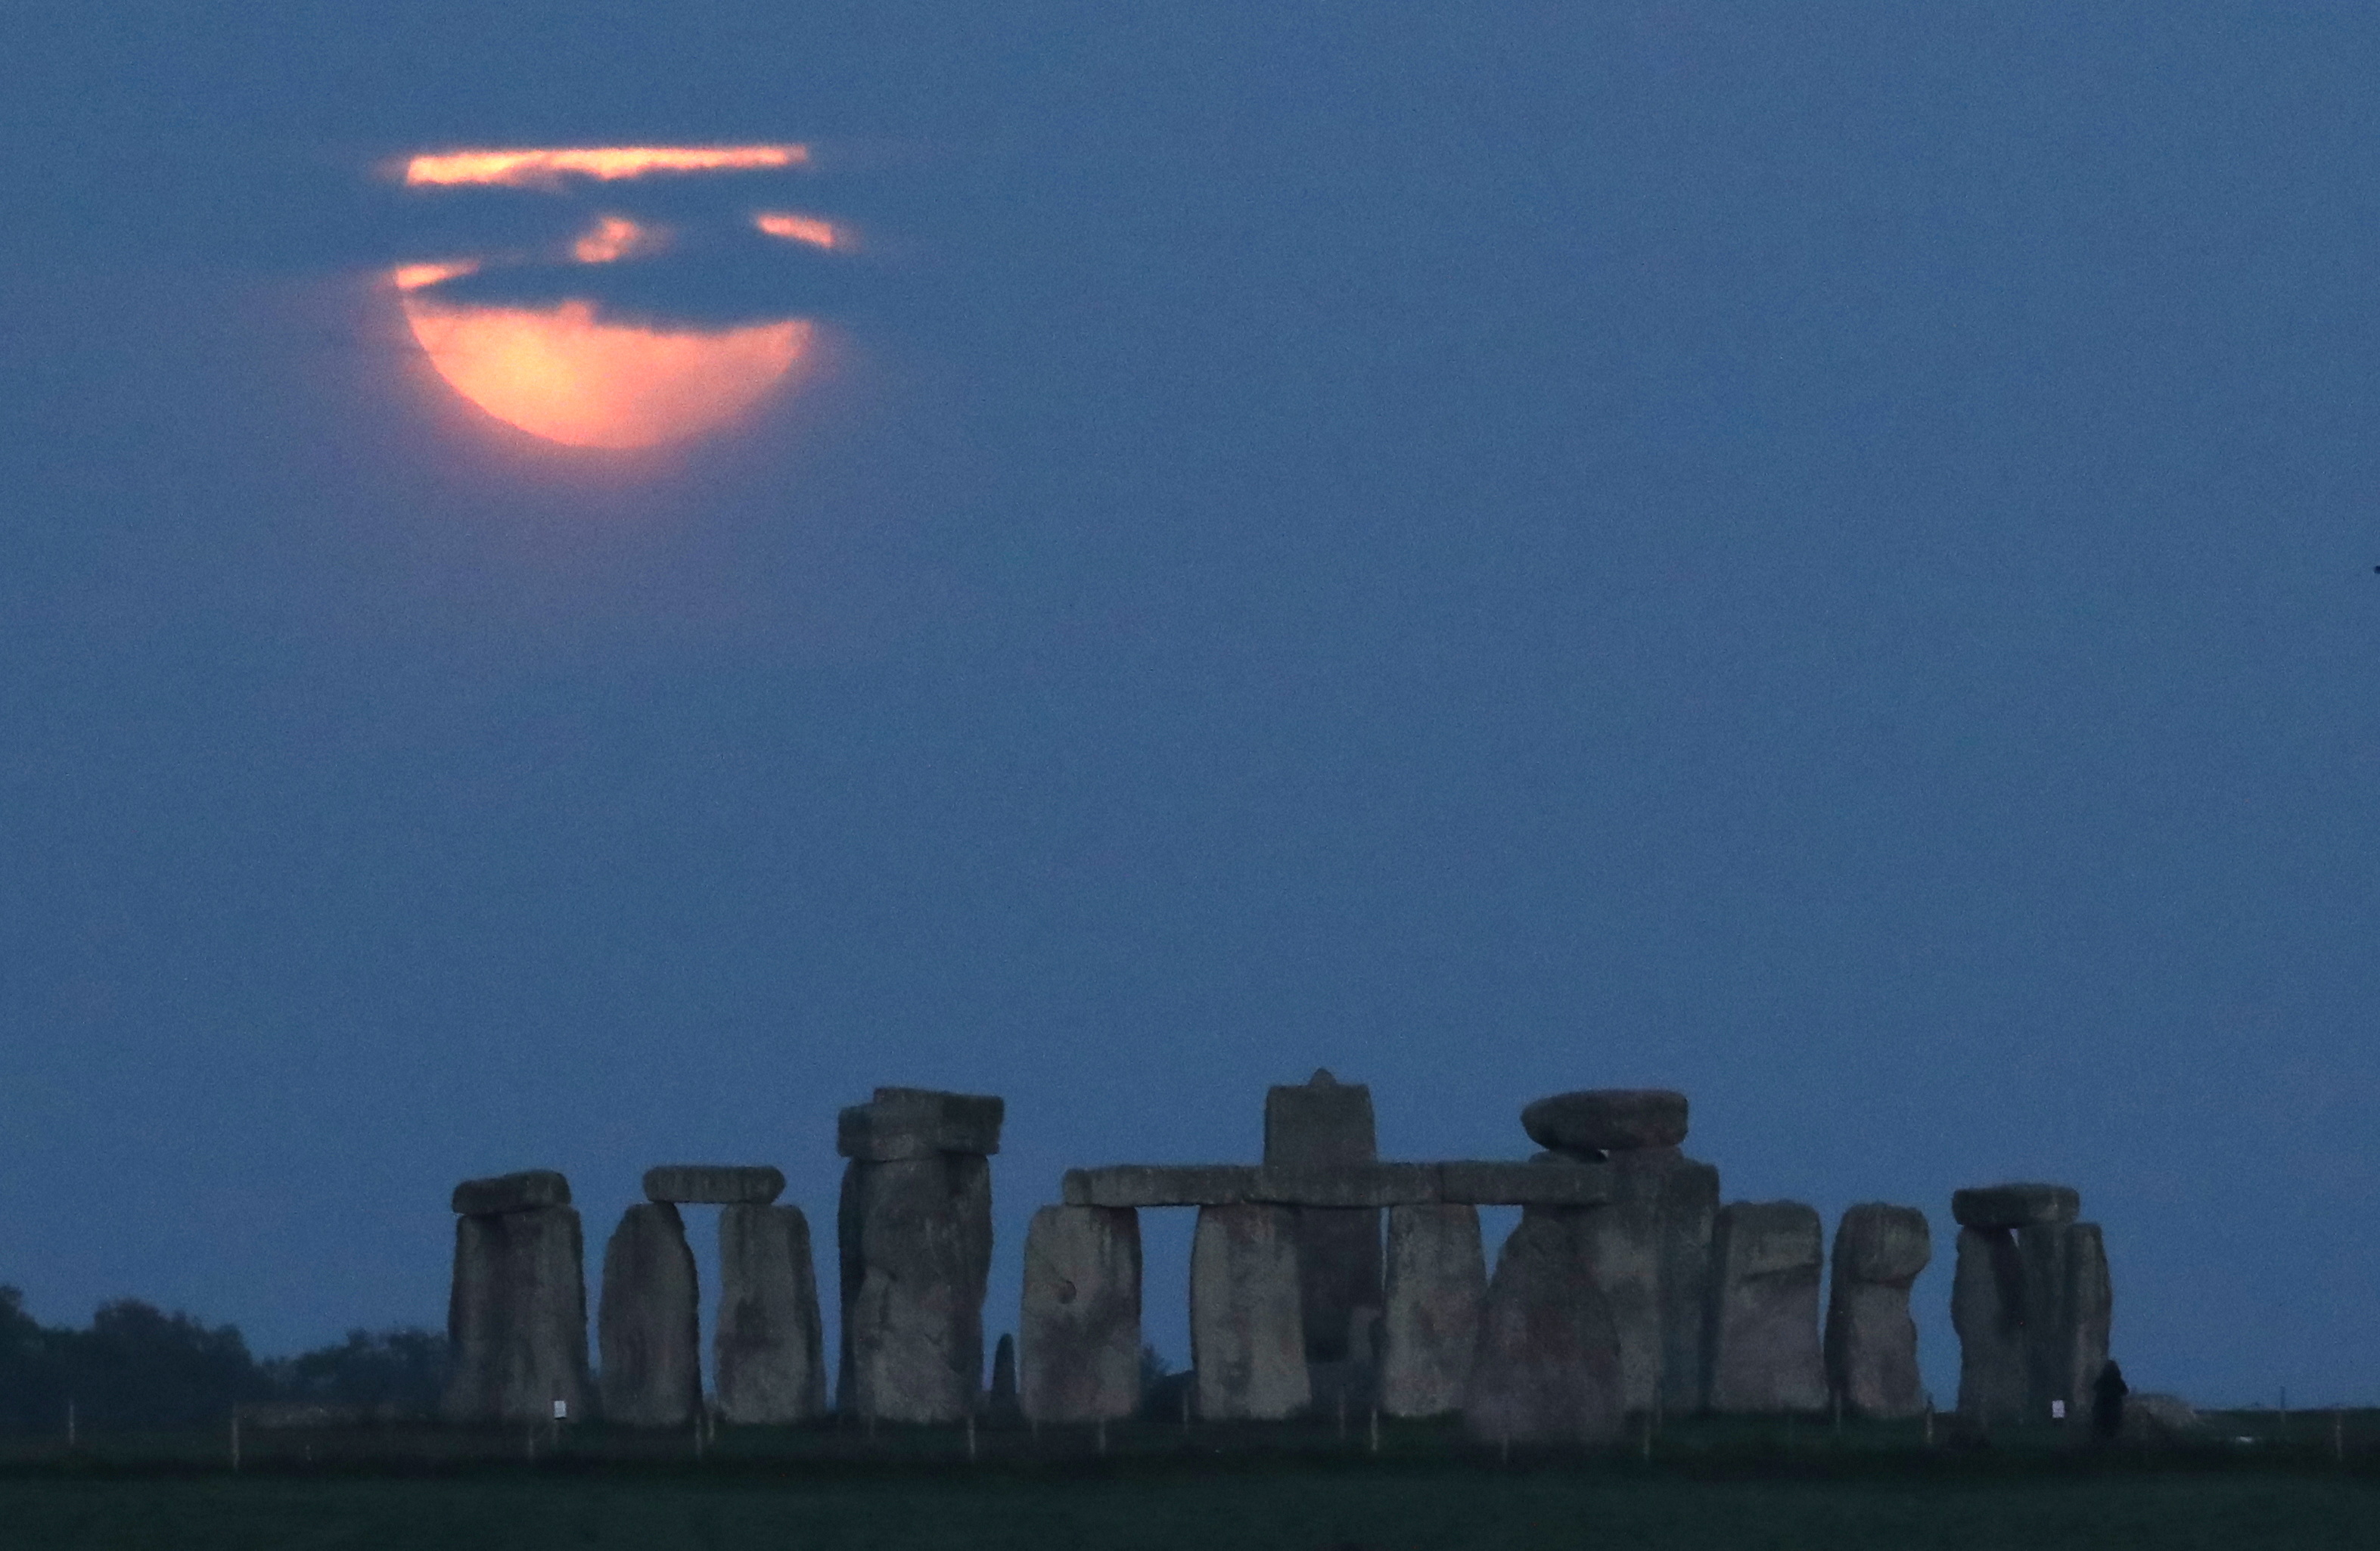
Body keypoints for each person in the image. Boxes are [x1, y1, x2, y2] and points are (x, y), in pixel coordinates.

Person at [2092, 1359, 2129, 1440]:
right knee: (2112, 1430)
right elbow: (2125, 1391)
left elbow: (2094, 1387)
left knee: (2101, 1429)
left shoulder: (2103, 1379)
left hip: (2102, 1406)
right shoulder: (2117, 1380)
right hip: (2114, 1407)